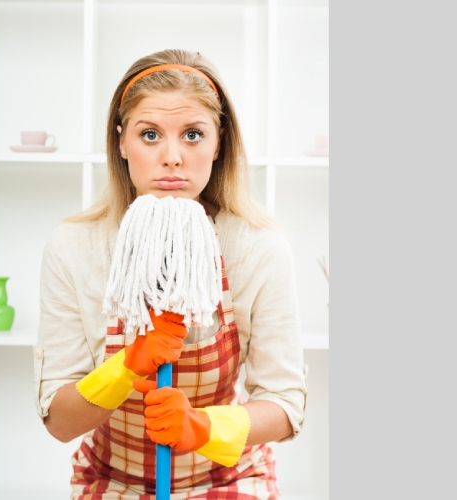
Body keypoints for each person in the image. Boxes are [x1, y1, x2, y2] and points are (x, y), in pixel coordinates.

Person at [34, 49, 308, 499]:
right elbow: (60, 423)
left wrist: (203, 426)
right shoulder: (74, 246)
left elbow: (285, 407)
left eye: (193, 134)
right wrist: (125, 367)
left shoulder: (260, 248)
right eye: (150, 135)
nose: (173, 157)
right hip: (113, 479)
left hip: (230, 477)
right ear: (122, 142)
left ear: (219, 143)